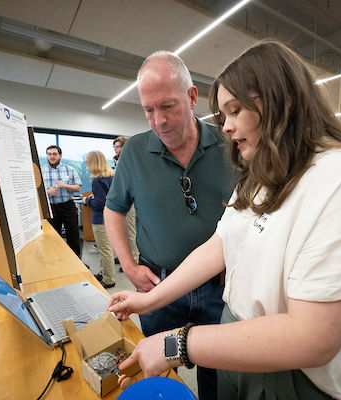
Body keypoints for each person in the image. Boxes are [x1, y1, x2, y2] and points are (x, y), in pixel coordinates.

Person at [108, 40, 341, 400]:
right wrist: (149, 300)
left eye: (235, 111)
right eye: (223, 116)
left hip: (299, 378)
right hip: (241, 348)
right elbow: (218, 245)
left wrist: (178, 344)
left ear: (284, 101)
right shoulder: (263, 174)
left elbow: (311, 338)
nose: (227, 129)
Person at [104, 51, 234, 400]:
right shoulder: (133, 152)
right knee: (153, 375)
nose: (158, 121)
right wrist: (129, 266)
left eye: (168, 106)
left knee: (218, 379)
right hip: (157, 286)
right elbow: (113, 210)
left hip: (219, 289)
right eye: (149, 110)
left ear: (192, 97)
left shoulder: (231, 144)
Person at [42, 145, 82, 257]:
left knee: (73, 235)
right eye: (49, 154)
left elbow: (78, 188)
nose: (52, 156)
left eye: (54, 154)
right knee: (53, 238)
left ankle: (76, 262)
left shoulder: (70, 169)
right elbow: (36, 191)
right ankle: (57, 264)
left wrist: (65, 185)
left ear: (60, 156)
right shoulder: (41, 171)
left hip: (67, 206)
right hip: (51, 207)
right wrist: (48, 192)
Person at [83, 151, 116, 288]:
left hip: (100, 219)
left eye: (88, 161)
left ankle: (109, 280)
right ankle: (103, 273)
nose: (86, 164)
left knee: (105, 249)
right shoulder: (110, 177)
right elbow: (106, 198)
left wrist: (87, 201)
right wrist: (95, 198)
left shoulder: (97, 180)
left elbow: (99, 204)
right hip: (110, 218)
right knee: (106, 248)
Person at [112, 136, 139, 266]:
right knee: (121, 231)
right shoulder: (119, 161)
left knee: (131, 232)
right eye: (115, 147)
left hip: (130, 202)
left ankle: (134, 259)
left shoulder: (131, 160)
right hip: (121, 201)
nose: (116, 149)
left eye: (118, 146)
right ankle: (123, 257)